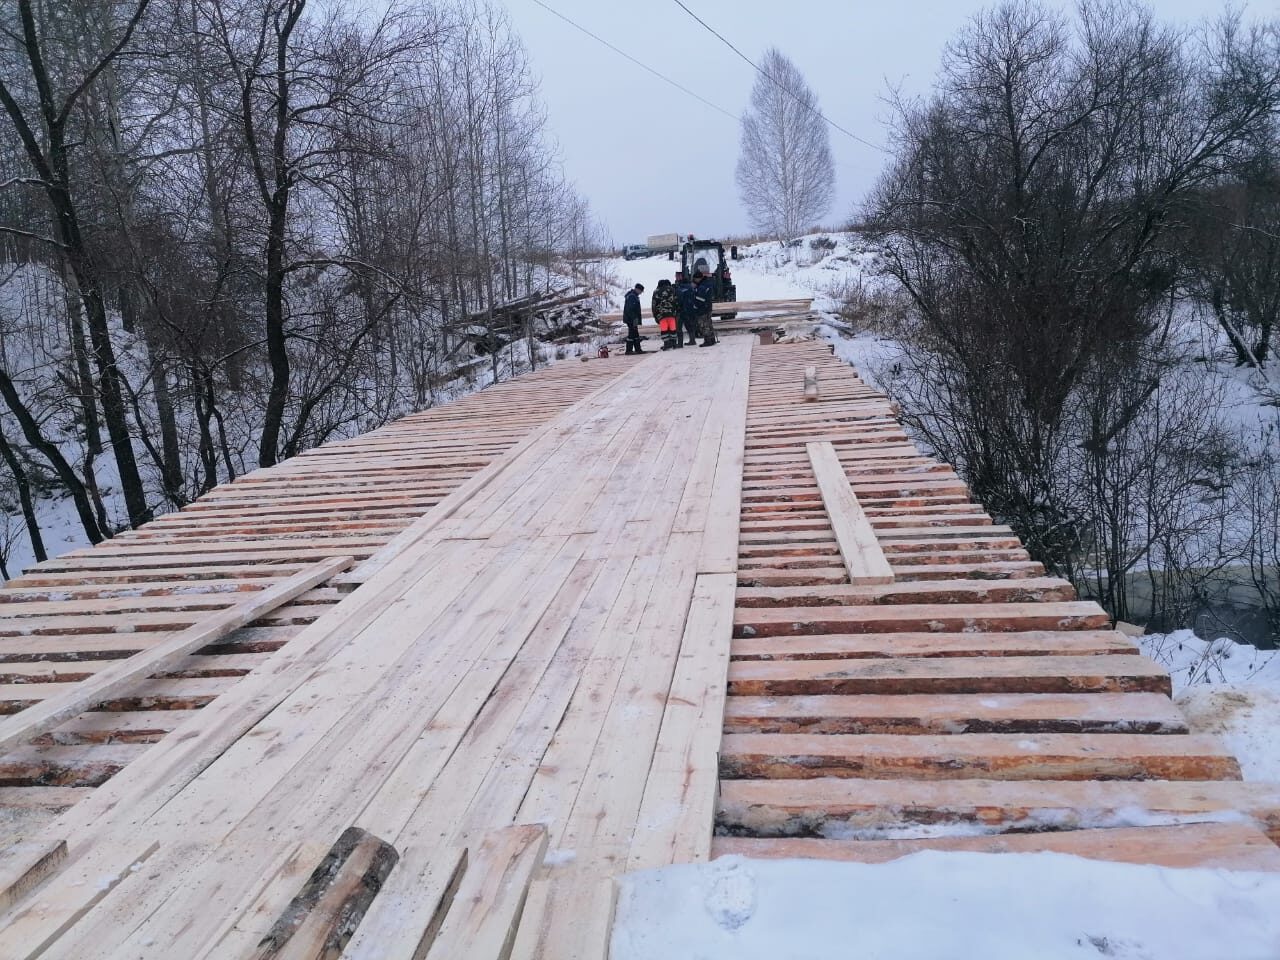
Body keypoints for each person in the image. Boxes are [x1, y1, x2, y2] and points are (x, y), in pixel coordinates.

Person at [650, 278, 679, 350]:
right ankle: (674, 343)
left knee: (664, 330)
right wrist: (677, 311)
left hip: (661, 314)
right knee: (673, 329)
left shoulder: (656, 291)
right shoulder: (673, 290)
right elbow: (676, 301)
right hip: (672, 314)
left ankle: (666, 344)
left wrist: (655, 315)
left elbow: (654, 304)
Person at [692, 270, 717, 346]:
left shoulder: (702, 286)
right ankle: (712, 339)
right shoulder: (706, 284)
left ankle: (707, 340)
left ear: (698, 278)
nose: (694, 281)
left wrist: (695, 306)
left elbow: (700, 298)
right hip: (708, 307)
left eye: (695, 279)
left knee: (704, 325)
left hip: (702, 309)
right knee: (709, 323)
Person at [675, 271, 698, 348]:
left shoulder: (681, 289)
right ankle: (692, 340)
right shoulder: (692, 288)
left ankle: (680, 343)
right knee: (689, 325)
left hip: (682, 310)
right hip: (691, 310)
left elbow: (679, 299)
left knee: (678, 327)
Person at [622, 282, 645, 354]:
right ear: (637, 289)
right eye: (641, 291)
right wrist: (634, 319)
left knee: (635, 334)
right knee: (632, 334)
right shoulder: (632, 296)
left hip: (632, 318)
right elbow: (630, 309)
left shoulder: (634, 296)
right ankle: (628, 350)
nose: (641, 293)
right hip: (631, 319)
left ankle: (638, 349)